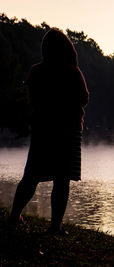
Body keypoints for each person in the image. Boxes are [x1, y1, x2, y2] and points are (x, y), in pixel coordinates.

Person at [8, 29, 89, 234]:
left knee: (31, 176)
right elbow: (85, 97)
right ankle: (55, 225)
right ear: (67, 49)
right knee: (62, 180)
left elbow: (33, 100)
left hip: (43, 130)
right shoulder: (73, 72)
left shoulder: (36, 71)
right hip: (69, 132)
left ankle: (14, 215)